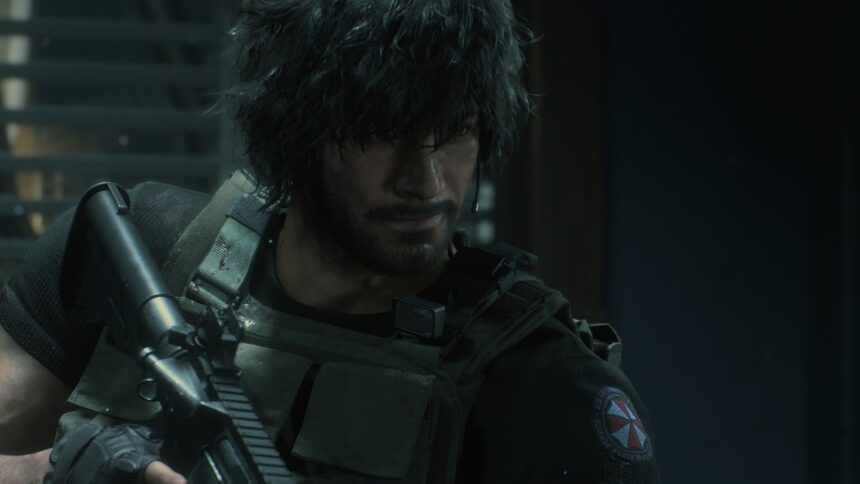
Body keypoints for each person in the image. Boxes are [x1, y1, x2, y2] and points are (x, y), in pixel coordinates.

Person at [0, 0, 660, 482]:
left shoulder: (545, 392)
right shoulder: (148, 244)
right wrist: (55, 470)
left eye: (455, 132)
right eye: (384, 132)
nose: (425, 181)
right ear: (301, 127)